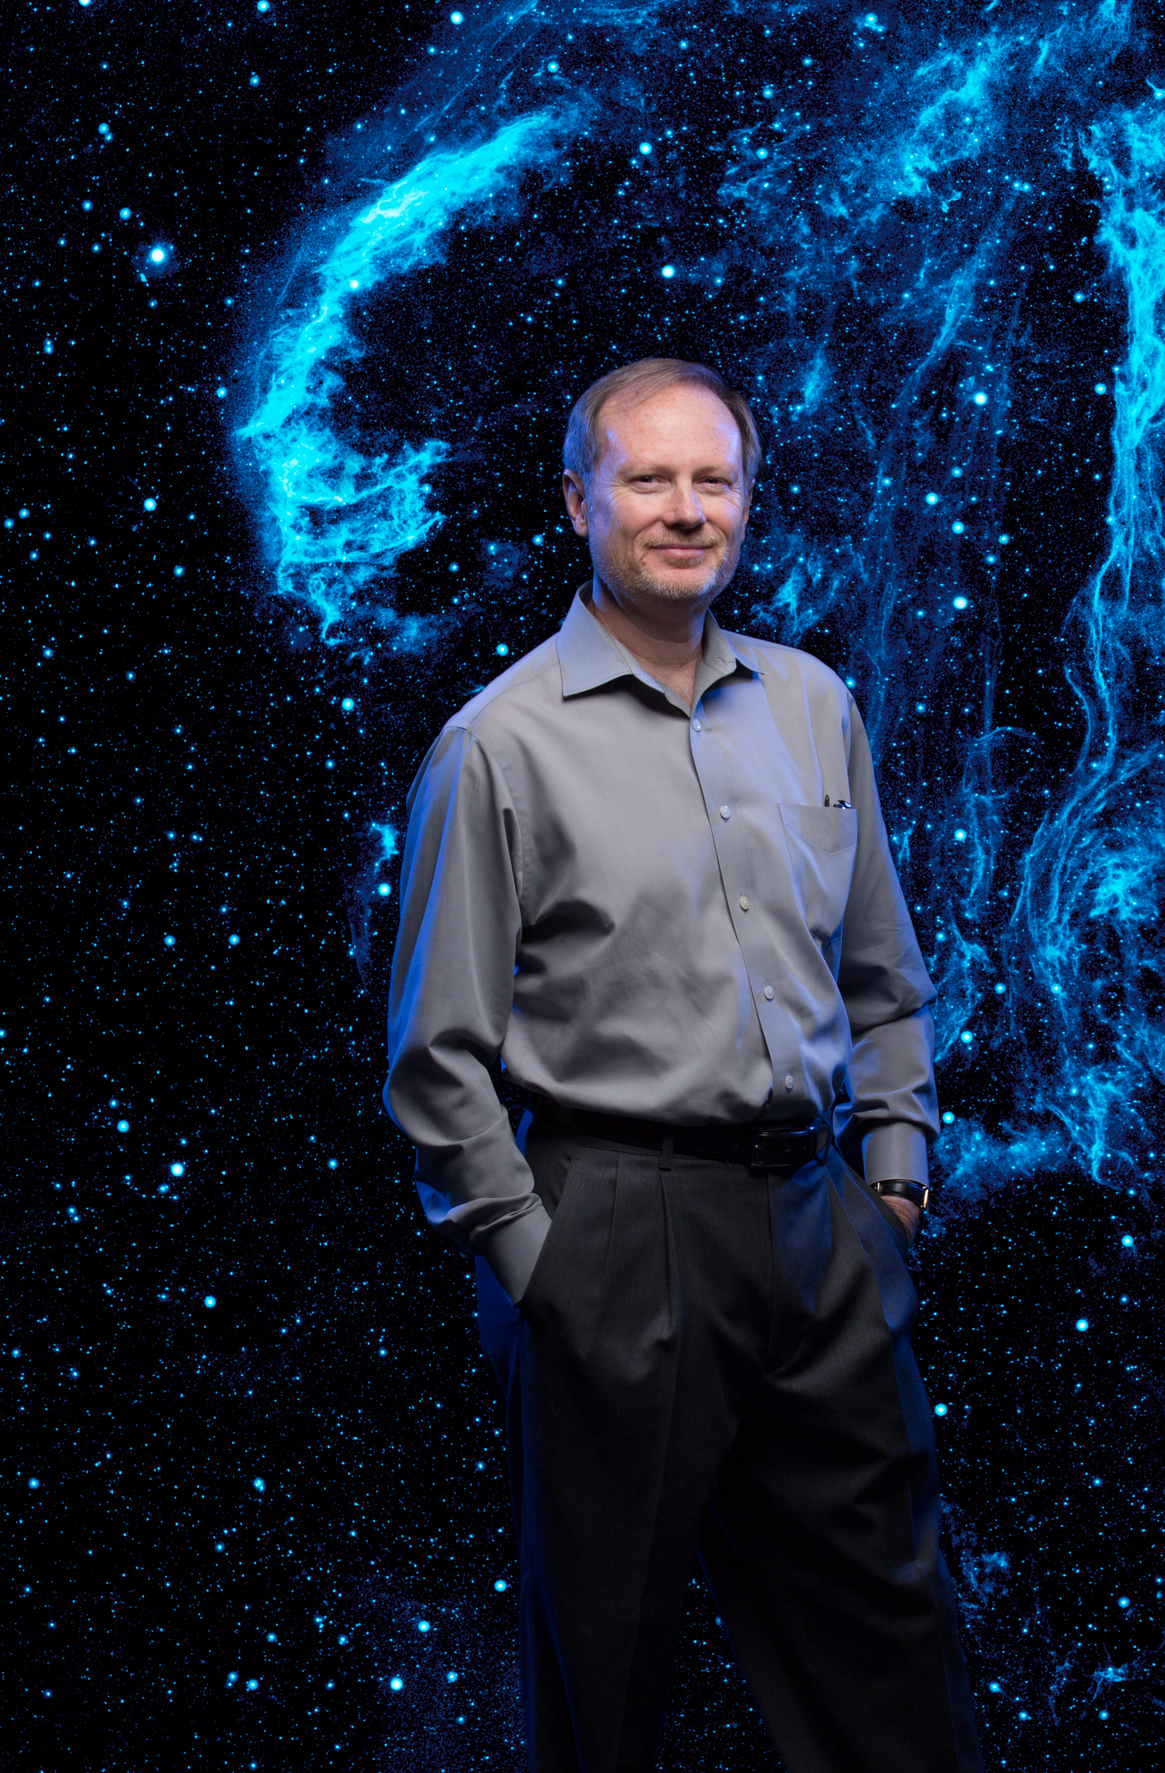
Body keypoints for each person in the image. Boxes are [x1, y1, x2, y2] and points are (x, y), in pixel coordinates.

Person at [384, 356, 983, 1773]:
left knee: (895, 1664)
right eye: (648, 478)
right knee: (607, 1676)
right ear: (580, 498)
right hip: (613, 1229)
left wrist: (890, 1182)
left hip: (822, 1229)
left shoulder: (813, 706)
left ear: (748, 501)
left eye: (713, 479)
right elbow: (436, 1056)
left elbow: (885, 974)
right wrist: (540, 1263)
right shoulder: (497, 747)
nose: (685, 509)